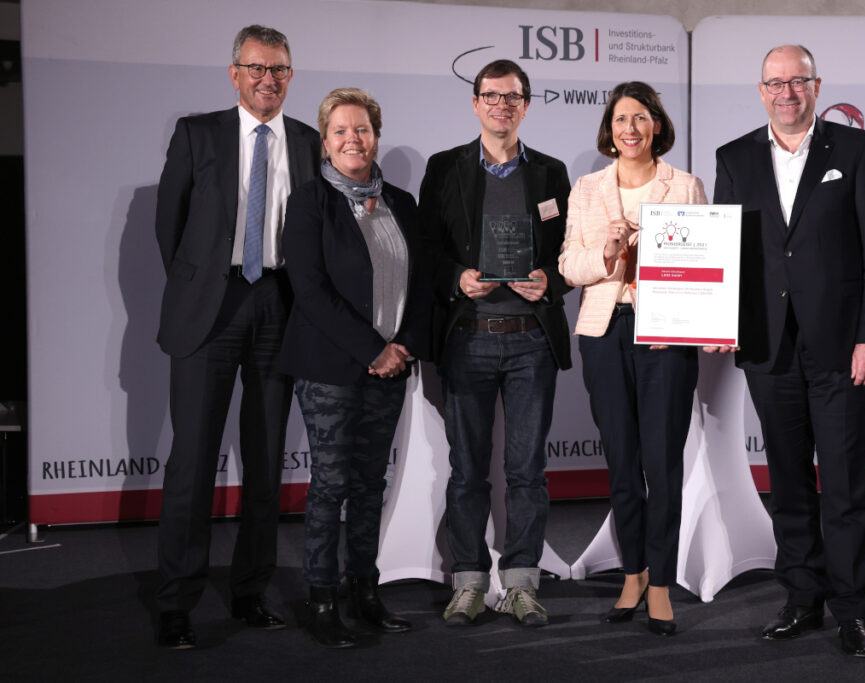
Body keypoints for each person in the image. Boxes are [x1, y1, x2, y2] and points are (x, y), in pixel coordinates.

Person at [711, 45, 865, 657]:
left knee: (844, 484)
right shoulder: (734, 157)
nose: (787, 92)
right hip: (769, 347)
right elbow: (724, 255)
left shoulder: (855, 150)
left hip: (843, 348)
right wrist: (712, 316)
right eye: (775, 82)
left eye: (798, 81)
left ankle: (851, 610)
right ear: (759, 89)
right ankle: (801, 599)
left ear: (817, 85)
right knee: (789, 482)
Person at [154, 25, 321, 649]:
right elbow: (169, 228)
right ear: (234, 73)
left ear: (290, 75)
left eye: (278, 69)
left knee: (266, 459)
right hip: (211, 307)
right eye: (255, 68)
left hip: (279, 308)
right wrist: (206, 286)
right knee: (192, 463)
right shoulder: (197, 133)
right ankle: (176, 601)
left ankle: (250, 590)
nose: (267, 79)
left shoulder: (308, 142)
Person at [419, 59, 572, 627]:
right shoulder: (445, 168)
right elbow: (427, 249)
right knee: (467, 472)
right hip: (470, 340)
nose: (501, 106)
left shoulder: (553, 174)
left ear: (526, 105)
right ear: (476, 103)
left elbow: (567, 252)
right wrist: (456, 277)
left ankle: (523, 583)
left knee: (527, 471)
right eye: (491, 96)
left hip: (532, 341)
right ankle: (468, 581)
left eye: (512, 98)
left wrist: (549, 281)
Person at [278, 87, 430, 648]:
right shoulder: (309, 201)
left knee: (371, 484)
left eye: (361, 129)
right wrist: (373, 349)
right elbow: (311, 293)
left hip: (391, 368)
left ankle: (365, 591)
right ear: (325, 140)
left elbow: (423, 285)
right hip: (330, 369)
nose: (352, 139)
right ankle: (322, 599)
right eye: (340, 130)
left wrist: (405, 345)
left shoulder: (404, 204)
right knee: (332, 484)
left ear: (376, 135)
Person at [558, 82, 704, 637]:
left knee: (662, 464)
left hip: (667, 333)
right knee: (621, 463)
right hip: (603, 331)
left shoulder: (685, 185)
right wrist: (609, 252)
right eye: (621, 119)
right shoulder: (587, 188)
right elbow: (570, 264)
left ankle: (662, 583)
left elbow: (705, 261)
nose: (631, 129)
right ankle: (633, 575)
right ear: (610, 129)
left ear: (657, 126)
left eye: (641, 118)